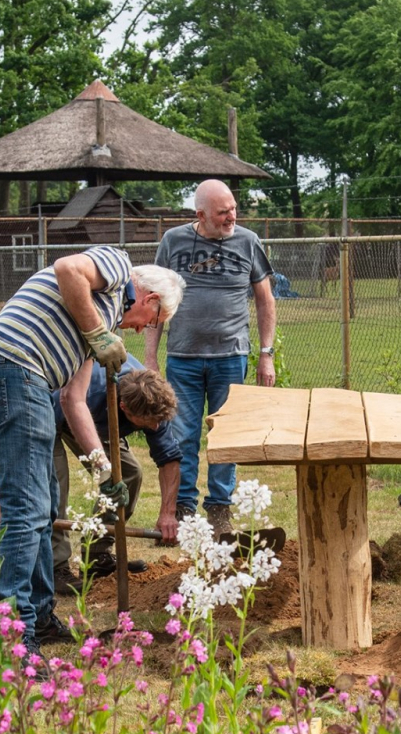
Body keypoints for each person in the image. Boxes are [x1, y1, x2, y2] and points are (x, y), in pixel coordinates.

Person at [0, 246, 183, 655]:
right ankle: (12, 638)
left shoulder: (99, 321)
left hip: (24, 378)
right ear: (150, 299)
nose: (143, 330)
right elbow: (67, 267)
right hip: (13, 369)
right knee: (27, 510)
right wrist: (98, 334)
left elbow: (73, 400)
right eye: (154, 321)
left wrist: (104, 471)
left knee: (45, 508)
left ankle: (40, 618)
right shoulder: (118, 266)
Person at [146, 179, 276, 536]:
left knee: (225, 434)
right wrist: (150, 359)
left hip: (230, 356)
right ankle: (184, 508)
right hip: (182, 357)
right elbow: (154, 301)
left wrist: (266, 354)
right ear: (200, 215)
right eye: (222, 212)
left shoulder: (248, 241)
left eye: (233, 209)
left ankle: (219, 508)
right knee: (182, 435)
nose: (231, 217)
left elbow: (265, 300)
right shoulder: (173, 241)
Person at [50, 357, 181, 596]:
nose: (155, 427)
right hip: (55, 411)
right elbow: (65, 407)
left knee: (130, 473)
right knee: (55, 485)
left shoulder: (154, 401)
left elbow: (169, 458)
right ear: (124, 408)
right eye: (149, 423)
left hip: (100, 420)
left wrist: (168, 513)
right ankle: (56, 566)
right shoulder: (95, 393)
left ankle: (97, 556)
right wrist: (102, 468)